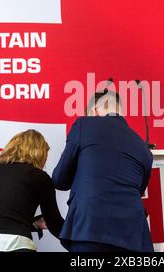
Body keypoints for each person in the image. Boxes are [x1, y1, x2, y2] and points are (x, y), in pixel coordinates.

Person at [53, 90, 154, 252]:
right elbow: (140, 190)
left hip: (90, 228)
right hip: (132, 235)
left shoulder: (84, 125)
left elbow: (59, 179)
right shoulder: (143, 148)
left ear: (94, 111)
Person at [0, 129, 64, 252]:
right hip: (16, 245)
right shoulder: (39, 176)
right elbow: (54, 223)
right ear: (39, 153)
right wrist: (81, 242)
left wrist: (34, 223)